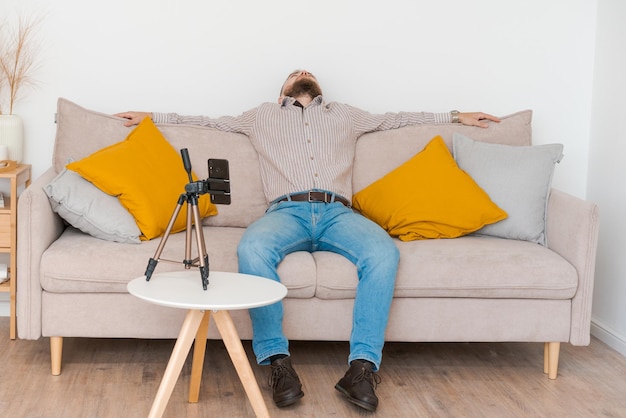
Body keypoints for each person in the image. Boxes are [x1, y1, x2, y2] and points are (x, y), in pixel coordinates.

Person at [116, 70, 499, 412]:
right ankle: (278, 364)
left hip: (338, 213)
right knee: (251, 248)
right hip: (285, 212)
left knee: (383, 252)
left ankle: (362, 369)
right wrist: (152, 117)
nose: (302, 72)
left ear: (318, 90)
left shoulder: (345, 114)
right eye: (294, 72)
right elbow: (204, 122)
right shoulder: (260, 115)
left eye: (307, 72)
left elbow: (396, 120)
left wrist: (455, 116)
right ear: (283, 89)